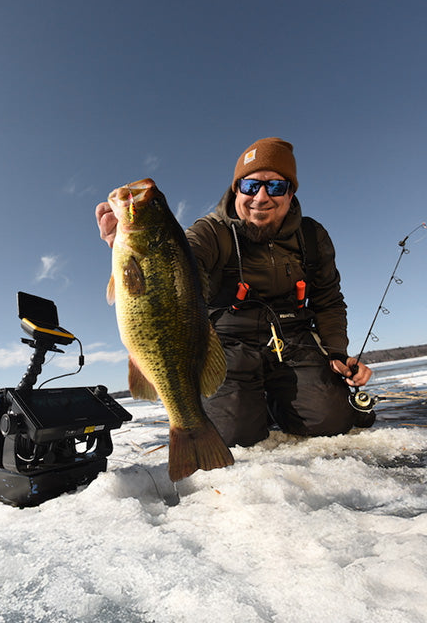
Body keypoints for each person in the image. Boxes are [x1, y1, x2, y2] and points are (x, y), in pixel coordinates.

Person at [96, 136, 373, 447]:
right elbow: (182, 256)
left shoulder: (311, 235)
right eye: (251, 186)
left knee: (331, 421)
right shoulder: (210, 231)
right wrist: (137, 259)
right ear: (236, 188)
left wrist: (336, 352)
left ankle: (273, 401)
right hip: (229, 344)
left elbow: (329, 299)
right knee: (232, 435)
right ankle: (251, 405)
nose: (262, 197)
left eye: (277, 187)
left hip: (293, 341)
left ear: (291, 192)